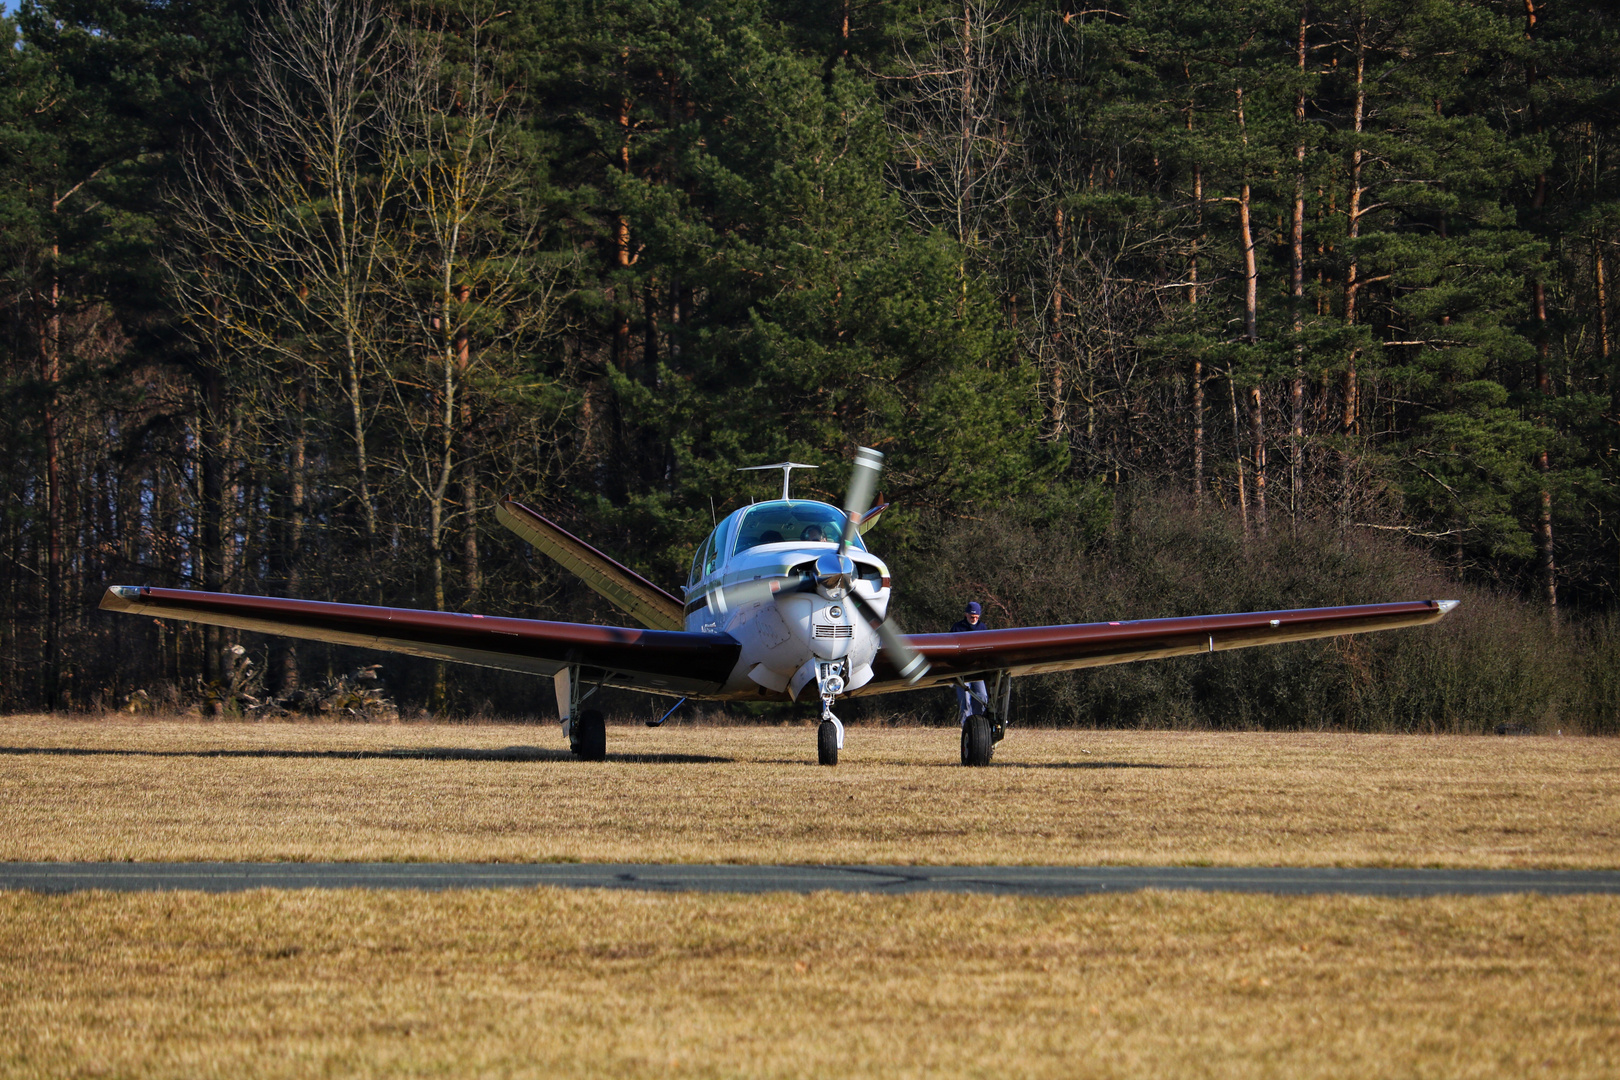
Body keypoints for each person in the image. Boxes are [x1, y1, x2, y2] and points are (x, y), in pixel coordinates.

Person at [951, 601, 989, 726]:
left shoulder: (983, 628)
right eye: (972, 616)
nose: (974, 618)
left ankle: (980, 723)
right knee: (965, 700)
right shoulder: (957, 628)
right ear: (966, 615)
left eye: (976, 616)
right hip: (962, 669)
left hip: (977, 669)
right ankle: (965, 726)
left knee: (982, 696)